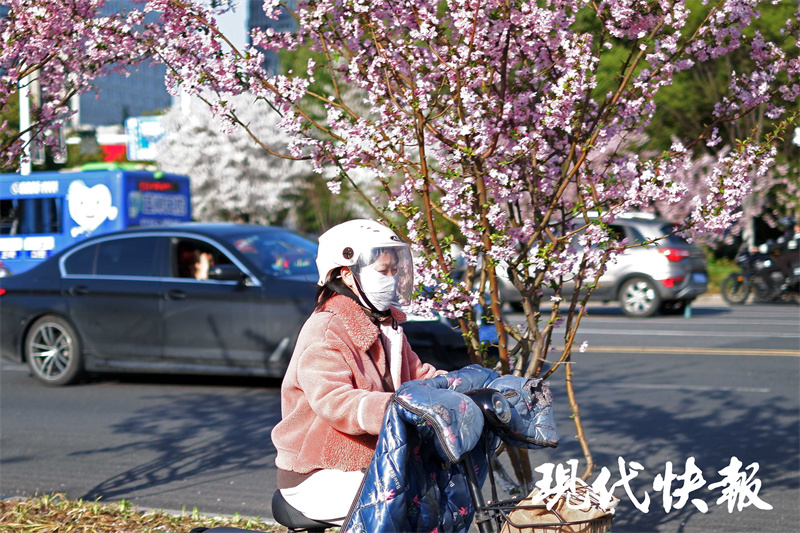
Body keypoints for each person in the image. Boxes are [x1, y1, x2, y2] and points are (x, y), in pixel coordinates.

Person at [270, 219, 444, 525]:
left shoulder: (386, 326)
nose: (391, 279)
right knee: (406, 506)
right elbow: (335, 401)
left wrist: (462, 387)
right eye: (382, 271)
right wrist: (396, 407)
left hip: (372, 464)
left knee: (438, 495)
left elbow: (419, 376)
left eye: (395, 270)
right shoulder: (326, 328)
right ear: (348, 275)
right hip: (319, 471)